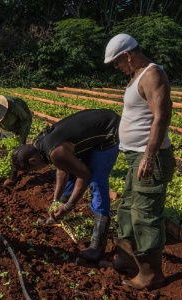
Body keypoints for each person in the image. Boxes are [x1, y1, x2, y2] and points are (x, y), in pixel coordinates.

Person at [103, 33, 175, 290]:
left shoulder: (153, 74)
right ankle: (126, 259)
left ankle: (151, 273)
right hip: (135, 157)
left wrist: (149, 155)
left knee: (144, 215)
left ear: (128, 55)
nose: (116, 68)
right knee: (126, 210)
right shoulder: (137, 75)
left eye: (117, 63)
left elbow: (162, 117)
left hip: (149, 158)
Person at [11, 109, 120, 263]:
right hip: (97, 126)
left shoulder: (55, 152)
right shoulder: (38, 145)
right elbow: (62, 170)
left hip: (109, 131)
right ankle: (56, 215)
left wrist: (69, 206)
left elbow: (84, 175)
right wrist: (56, 201)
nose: (37, 171)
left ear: (33, 162)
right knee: (73, 170)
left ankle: (98, 244)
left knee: (96, 181)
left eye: (33, 170)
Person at [0, 95, 32, 185]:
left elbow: (25, 119)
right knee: (2, 148)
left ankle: (13, 176)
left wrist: (21, 135)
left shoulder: (12, 106)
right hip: (7, 128)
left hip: (21, 124)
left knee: (17, 151)